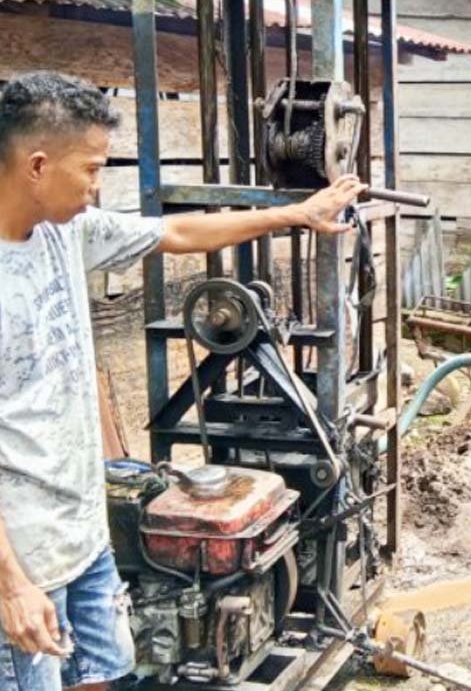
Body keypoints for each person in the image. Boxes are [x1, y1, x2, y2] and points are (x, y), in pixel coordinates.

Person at [0, 72, 365, 691]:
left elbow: (175, 233)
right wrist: (12, 586)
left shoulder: (66, 231)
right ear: (37, 165)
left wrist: (299, 214)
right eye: (90, 169)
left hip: (83, 539)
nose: (97, 186)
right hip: (24, 559)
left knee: (104, 677)